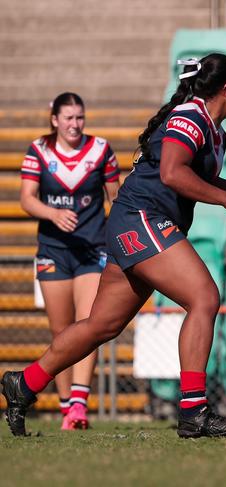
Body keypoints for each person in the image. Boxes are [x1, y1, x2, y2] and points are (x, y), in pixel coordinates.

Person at [2, 53, 226, 438]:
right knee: (204, 298)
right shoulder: (191, 118)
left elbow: (187, 174)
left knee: (100, 325)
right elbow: (173, 173)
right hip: (142, 219)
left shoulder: (211, 127)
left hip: (135, 221)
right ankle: (193, 411)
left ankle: (23, 384)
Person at [19, 92, 120, 430]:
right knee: (60, 332)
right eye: (69, 118)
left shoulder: (101, 150)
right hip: (53, 251)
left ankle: (79, 405)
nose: (75, 124)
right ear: (54, 120)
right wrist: (53, 213)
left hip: (93, 251)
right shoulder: (39, 150)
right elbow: (26, 199)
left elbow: (116, 198)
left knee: (87, 326)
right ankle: (67, 410)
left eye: (80, 117)